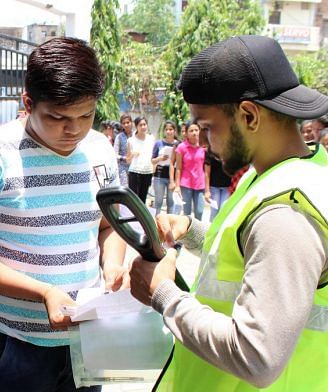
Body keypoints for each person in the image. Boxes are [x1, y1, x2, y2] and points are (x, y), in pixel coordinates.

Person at [129, 35, 328, 391]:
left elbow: (257, 356)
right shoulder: (281, 172)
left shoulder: (285, 213)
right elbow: (254, 253)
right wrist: (191, 230)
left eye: (207, 127)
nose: (203, 142)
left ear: (249, 115)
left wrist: (163, 294)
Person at [0, 37, 127, 392]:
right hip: (13, 345)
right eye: (57, 117)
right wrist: (43, 292)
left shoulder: (100, 149)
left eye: (86, 115)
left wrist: (114, 265)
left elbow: (110, 226)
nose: (73, 129)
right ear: (28, 102)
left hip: (85, 340)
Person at [173, 121, 206, 220]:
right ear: (186, 133)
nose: (194, 133)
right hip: (186, 184)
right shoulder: (181, 148)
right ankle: (187, 234)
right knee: (187, 213)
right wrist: (177, 186)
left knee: (199, 212)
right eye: (191, 131)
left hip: (200, 184)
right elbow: (178, 168)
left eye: (196, 130)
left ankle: (198, 234)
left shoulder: (204, 147)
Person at [151, 120, 180, 215]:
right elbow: (152, 160)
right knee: (158, 201)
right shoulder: (158, 143)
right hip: (159, 175)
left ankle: (169, 223)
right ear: (164, 131)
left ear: (174, 131)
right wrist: (160, 158)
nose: (168, 131)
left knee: (171, 202)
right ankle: (156, 222)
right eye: (166, 129)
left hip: (173, 175)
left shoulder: (178, 144)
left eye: (171, 129)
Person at [126, 116, 155, 203]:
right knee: (134, 200)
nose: (143, 127)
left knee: (143, 199)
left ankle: (140, 217)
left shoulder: (151, 138)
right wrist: (132, 154)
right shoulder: (131, 140)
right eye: (140, 125)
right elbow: (128, 160)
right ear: (136, 126)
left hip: (147, 171)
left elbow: (153, 156)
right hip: (135, 172)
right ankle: (133, 216)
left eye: (144, 124)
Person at [203, 150, 231, 221]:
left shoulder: (229, 149)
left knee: (223, 209)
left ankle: (220, 231)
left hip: (227, 186)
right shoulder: (209, 151)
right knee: (214, 211)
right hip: (214, 187)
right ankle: (212, 230)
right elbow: (207, 173)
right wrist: (207, 191)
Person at [114, 113, 133, 186]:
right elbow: (114, 154)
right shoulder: (119, 137)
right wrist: (125, 158)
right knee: (125, 189)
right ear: (121, 125)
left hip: (135, 167)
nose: (126, 125)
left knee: (135, 190)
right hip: (123, 168)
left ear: (131, 123)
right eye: (124, 123)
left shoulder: (136, 135)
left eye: (128, 122)